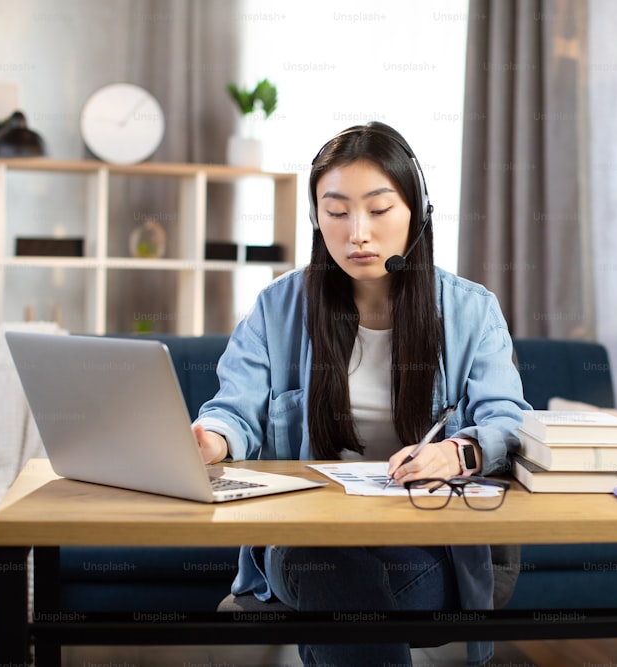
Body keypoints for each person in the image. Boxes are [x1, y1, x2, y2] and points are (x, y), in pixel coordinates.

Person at [193, 121, 529, 667]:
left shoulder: (471, 310)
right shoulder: (278, 308)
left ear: (416, 212)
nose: (358, 233)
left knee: (341, 590)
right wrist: (212, 440)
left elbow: (509, 419)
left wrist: (457, 451)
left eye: (378, 209)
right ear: (315, 218)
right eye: (336, 211)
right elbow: (234, 411)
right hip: (304, 540)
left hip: (428, 545)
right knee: (327, 564)